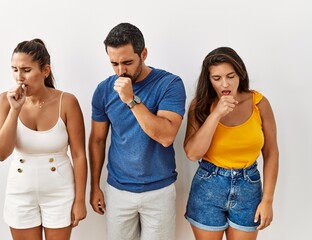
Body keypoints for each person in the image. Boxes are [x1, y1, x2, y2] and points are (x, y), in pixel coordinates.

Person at [89, 22, 186, 240]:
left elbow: (166, 136)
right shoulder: (104, 90)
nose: (121, 70)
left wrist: (131, 100)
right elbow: (97, 140)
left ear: (144, 53)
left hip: (159, 190)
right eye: (114, 63)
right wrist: (94, 186)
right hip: (118, 191)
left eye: (128, 62)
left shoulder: (169, 84)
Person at [0, 39, 87, 240]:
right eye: (14, 69)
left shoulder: (67, 101)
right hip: (20, 192)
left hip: (60, 193)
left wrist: (80, 200)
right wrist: (15, 110)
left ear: (45, 71)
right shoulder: (5, 101)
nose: (19, 77)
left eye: (26, 70)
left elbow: (78, 155)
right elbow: (0, 153)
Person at [184, 47, 279, 240]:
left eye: (230, 76)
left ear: (240, 75)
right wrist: (216, 114)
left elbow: (271, 153)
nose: (224, 84)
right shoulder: (200, 105)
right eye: (216, 78)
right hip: (208, 186)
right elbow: (193, 154)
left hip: (249, 187)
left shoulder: (259, 104)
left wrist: (267, 199)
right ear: (208, 79)